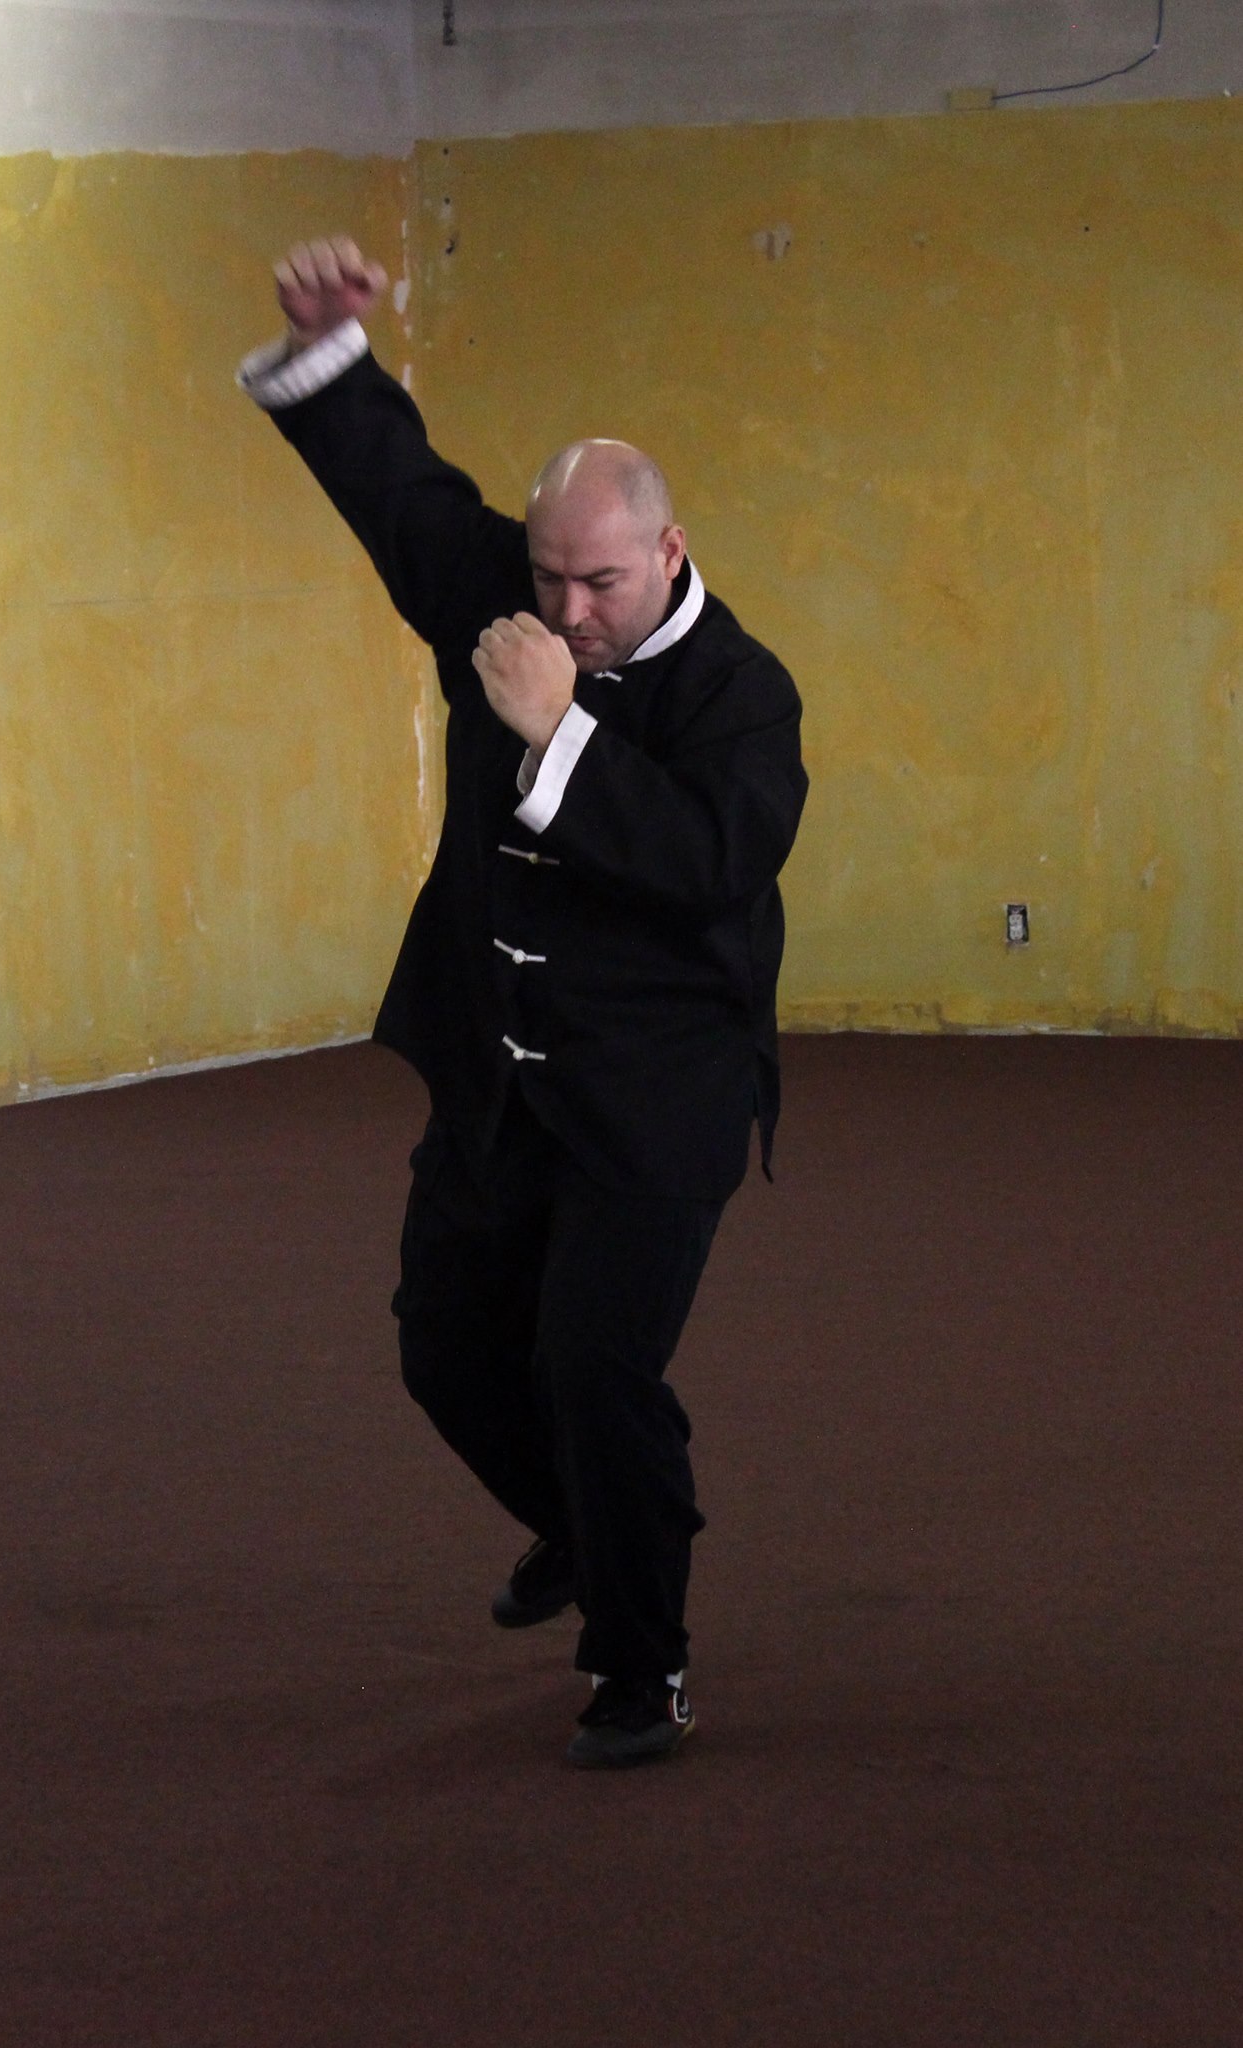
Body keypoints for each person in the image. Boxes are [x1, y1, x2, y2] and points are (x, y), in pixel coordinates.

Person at [237, 236, 808, 1768]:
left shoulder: (743, 693)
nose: (565, 607)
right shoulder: (513, 600)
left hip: (659, 1099)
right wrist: (329, 351)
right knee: (442, 1347)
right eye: (549, 576)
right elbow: (406, 499)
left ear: (670, 551)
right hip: (500, 1075)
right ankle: (585, 1522)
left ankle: (644, 1661)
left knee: (595, 1367)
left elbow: (710, 862)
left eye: (599, 581)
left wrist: (561, 738)